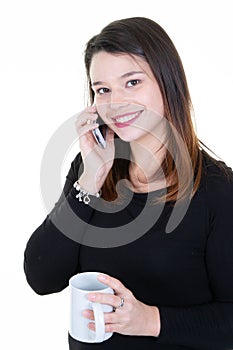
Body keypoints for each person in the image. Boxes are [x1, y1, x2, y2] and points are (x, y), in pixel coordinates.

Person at [24, 17, 233, 350]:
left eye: (132, 82)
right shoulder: (91, 169)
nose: (115, 102)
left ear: (167, 83)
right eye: (102, 89)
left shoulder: (219, 190)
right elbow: (41, 277)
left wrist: (149, 320)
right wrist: (90, 179)